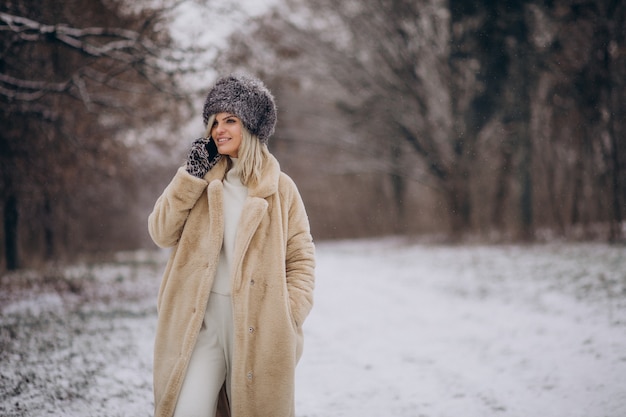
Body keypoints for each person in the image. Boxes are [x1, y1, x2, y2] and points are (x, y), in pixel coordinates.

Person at [148, 74, 316, 417]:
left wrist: (288, 313)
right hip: (201, 322)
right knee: (186, 410)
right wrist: (190, 174)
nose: (218, 130)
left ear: (252, 127)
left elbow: (301, 258)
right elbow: (161, 231)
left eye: (230, 121)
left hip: (258, 326)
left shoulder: (281, 188)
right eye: (214, 122)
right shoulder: (200, 179)